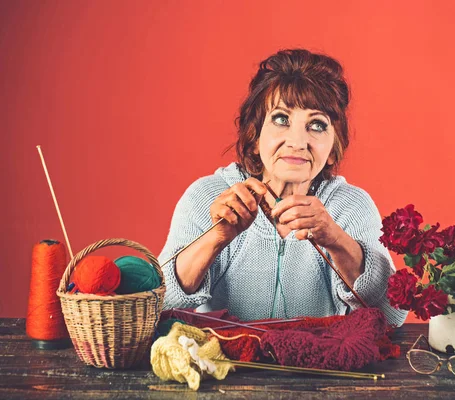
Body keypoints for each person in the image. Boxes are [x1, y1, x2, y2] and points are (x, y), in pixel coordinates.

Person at [159, 49, 407, 326]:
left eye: (316, 124)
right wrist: (216, 238)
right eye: (281, 119)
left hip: (316, 365)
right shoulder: (206, 195)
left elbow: (392, 316)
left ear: (334, 149)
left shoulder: (352, 205)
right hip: (225, 363)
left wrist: (335, 239)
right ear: (254, 136)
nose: (297, 141)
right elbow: (158, 304)